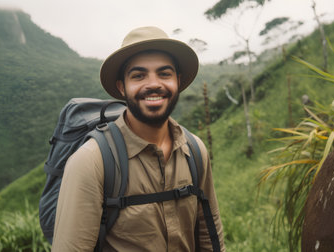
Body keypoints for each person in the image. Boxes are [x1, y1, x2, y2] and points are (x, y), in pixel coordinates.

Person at [52, 26, 225, 251]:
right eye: (139, 75)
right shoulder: (92, 161)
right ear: (121, 87)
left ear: (178, 81)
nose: (153, 84)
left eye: (164, 73)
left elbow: (210, 237)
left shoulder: (194, 151)